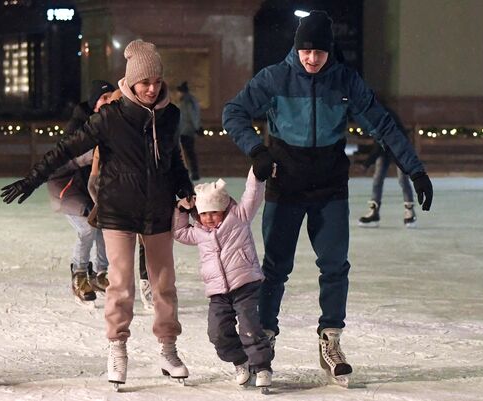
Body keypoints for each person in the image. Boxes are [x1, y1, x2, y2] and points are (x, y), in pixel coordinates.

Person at [222, 10, 433, 385]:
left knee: (335, 266)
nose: (312, 58)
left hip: (330, 187)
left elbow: (383, 124)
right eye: (305, 50)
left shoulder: (345, 81)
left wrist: (414, 168)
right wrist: (257, 150)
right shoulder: (275, 78)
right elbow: (233, 113)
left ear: (329, 50)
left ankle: (330, 340)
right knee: (275, 269)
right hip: (285, 184)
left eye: (319, 51)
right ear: (296, 47)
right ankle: (263, 341)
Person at [0, 39, 193, 390]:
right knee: (120, 284)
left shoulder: (171, 117)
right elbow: (66, 147)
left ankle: (168, 349)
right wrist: (33, 178)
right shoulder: (110, 118)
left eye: (156, 82)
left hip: (158, 211)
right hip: (118, 210)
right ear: (131, 82)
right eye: (144, 82)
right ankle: (117, 348)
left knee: (164, 286)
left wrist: (186, 191)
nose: (151, 88)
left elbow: (174, 162)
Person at [172, 168, 273, 390]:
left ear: (225, 208)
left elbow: (252, 194)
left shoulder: (238, 217)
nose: (208, 218)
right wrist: (180, 209)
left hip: (244, 284)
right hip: (218, 292)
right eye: (204, 214)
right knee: (216, 332)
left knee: (249, 326)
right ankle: (240, 361)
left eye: (214, 213)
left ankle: (262, 366)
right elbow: (179, 232)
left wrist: (256, 173)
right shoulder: (198, 231)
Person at [47, 80, 114, 304]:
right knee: (87, 228)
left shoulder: (113, 125)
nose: (107, 103)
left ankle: (101, 273)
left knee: (106, 226)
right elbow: (63, 162)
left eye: (111, 98)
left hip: (96, 190)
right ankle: (80, 275)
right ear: (95, 102)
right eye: (103, 98)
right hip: (69, 189)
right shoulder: (77, 127)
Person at [88, 88, 155, 312]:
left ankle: (147, 284)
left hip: (147, 199)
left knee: (148, 244)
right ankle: (120, 296)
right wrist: (103, 201)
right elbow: (93, 180)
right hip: (118, 203)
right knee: (121, 256)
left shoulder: (151, 129)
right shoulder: (106, 136)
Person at [358, 107, 416, 228]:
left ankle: (409, 211)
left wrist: (366, 164)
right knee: (377, 179)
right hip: (384, 148)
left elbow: (382, 142)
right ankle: (374, 213)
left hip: (400, 147)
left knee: (403, 180)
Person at [176, 81, 201, 181]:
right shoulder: (187, 100)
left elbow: (192, 115)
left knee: (188, 153)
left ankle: (193, 173)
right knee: (188, 153)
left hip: (186, 131)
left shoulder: (187, 101)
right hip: (185, 130)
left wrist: (197, 127)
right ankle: (192, 173)